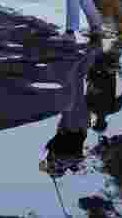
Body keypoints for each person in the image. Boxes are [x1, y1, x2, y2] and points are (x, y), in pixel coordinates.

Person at [39, 44, 101, 178]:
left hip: (83, 123)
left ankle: (92, 52)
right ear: (56, 168)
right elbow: (51, 145)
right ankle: (91, 50)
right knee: (74, 82)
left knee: (76, 81)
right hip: (72, 123)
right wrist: (47, 163)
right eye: (51, 167)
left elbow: (74, 155)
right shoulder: (57, 157)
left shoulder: (73, 161)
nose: (50, 164)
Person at [86, 33, 122, 134]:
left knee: (120, 38)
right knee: (95, 35)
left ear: (105, 123)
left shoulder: (113, 109)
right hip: (95, 66)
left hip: (110, 67)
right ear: (94, 121)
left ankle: (120, 27)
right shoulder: (89, 107)